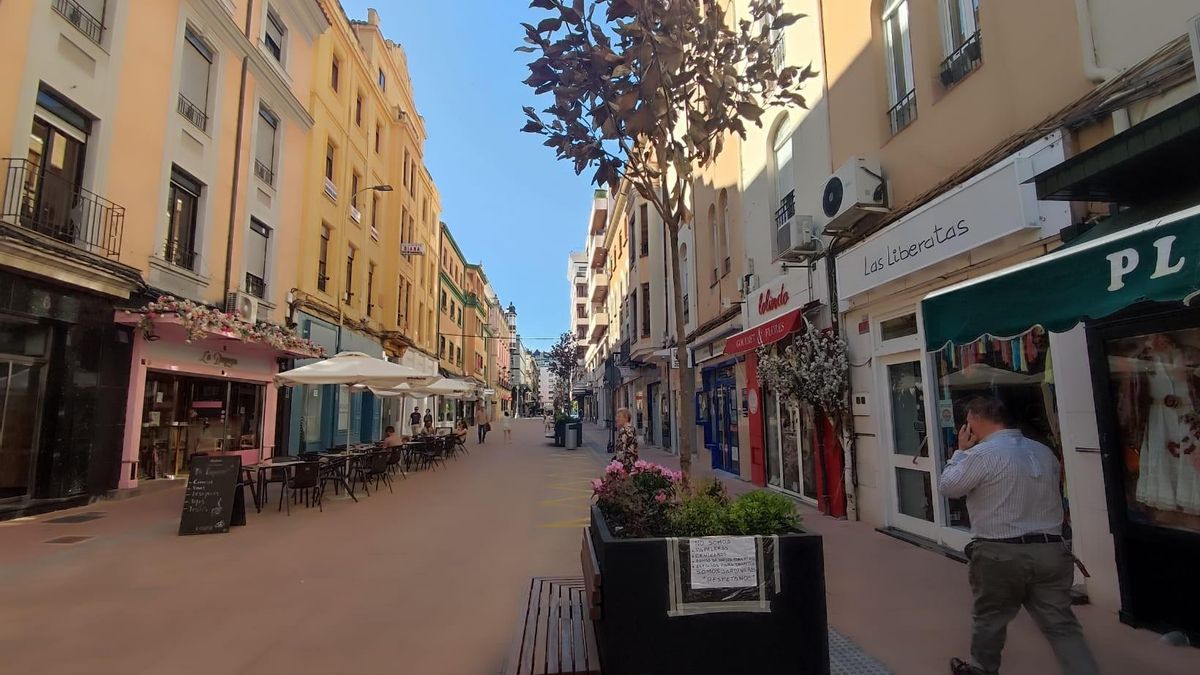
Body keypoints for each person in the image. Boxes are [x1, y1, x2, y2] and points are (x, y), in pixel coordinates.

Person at [940, 397, 1098, 675]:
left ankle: (981, 670)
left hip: (1001, 553)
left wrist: (960, 452)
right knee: (1061, 625)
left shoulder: (982, 454)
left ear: (975, 420)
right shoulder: (1043, 452)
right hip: (1051, 551)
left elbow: (949, 486)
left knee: (990, 620)